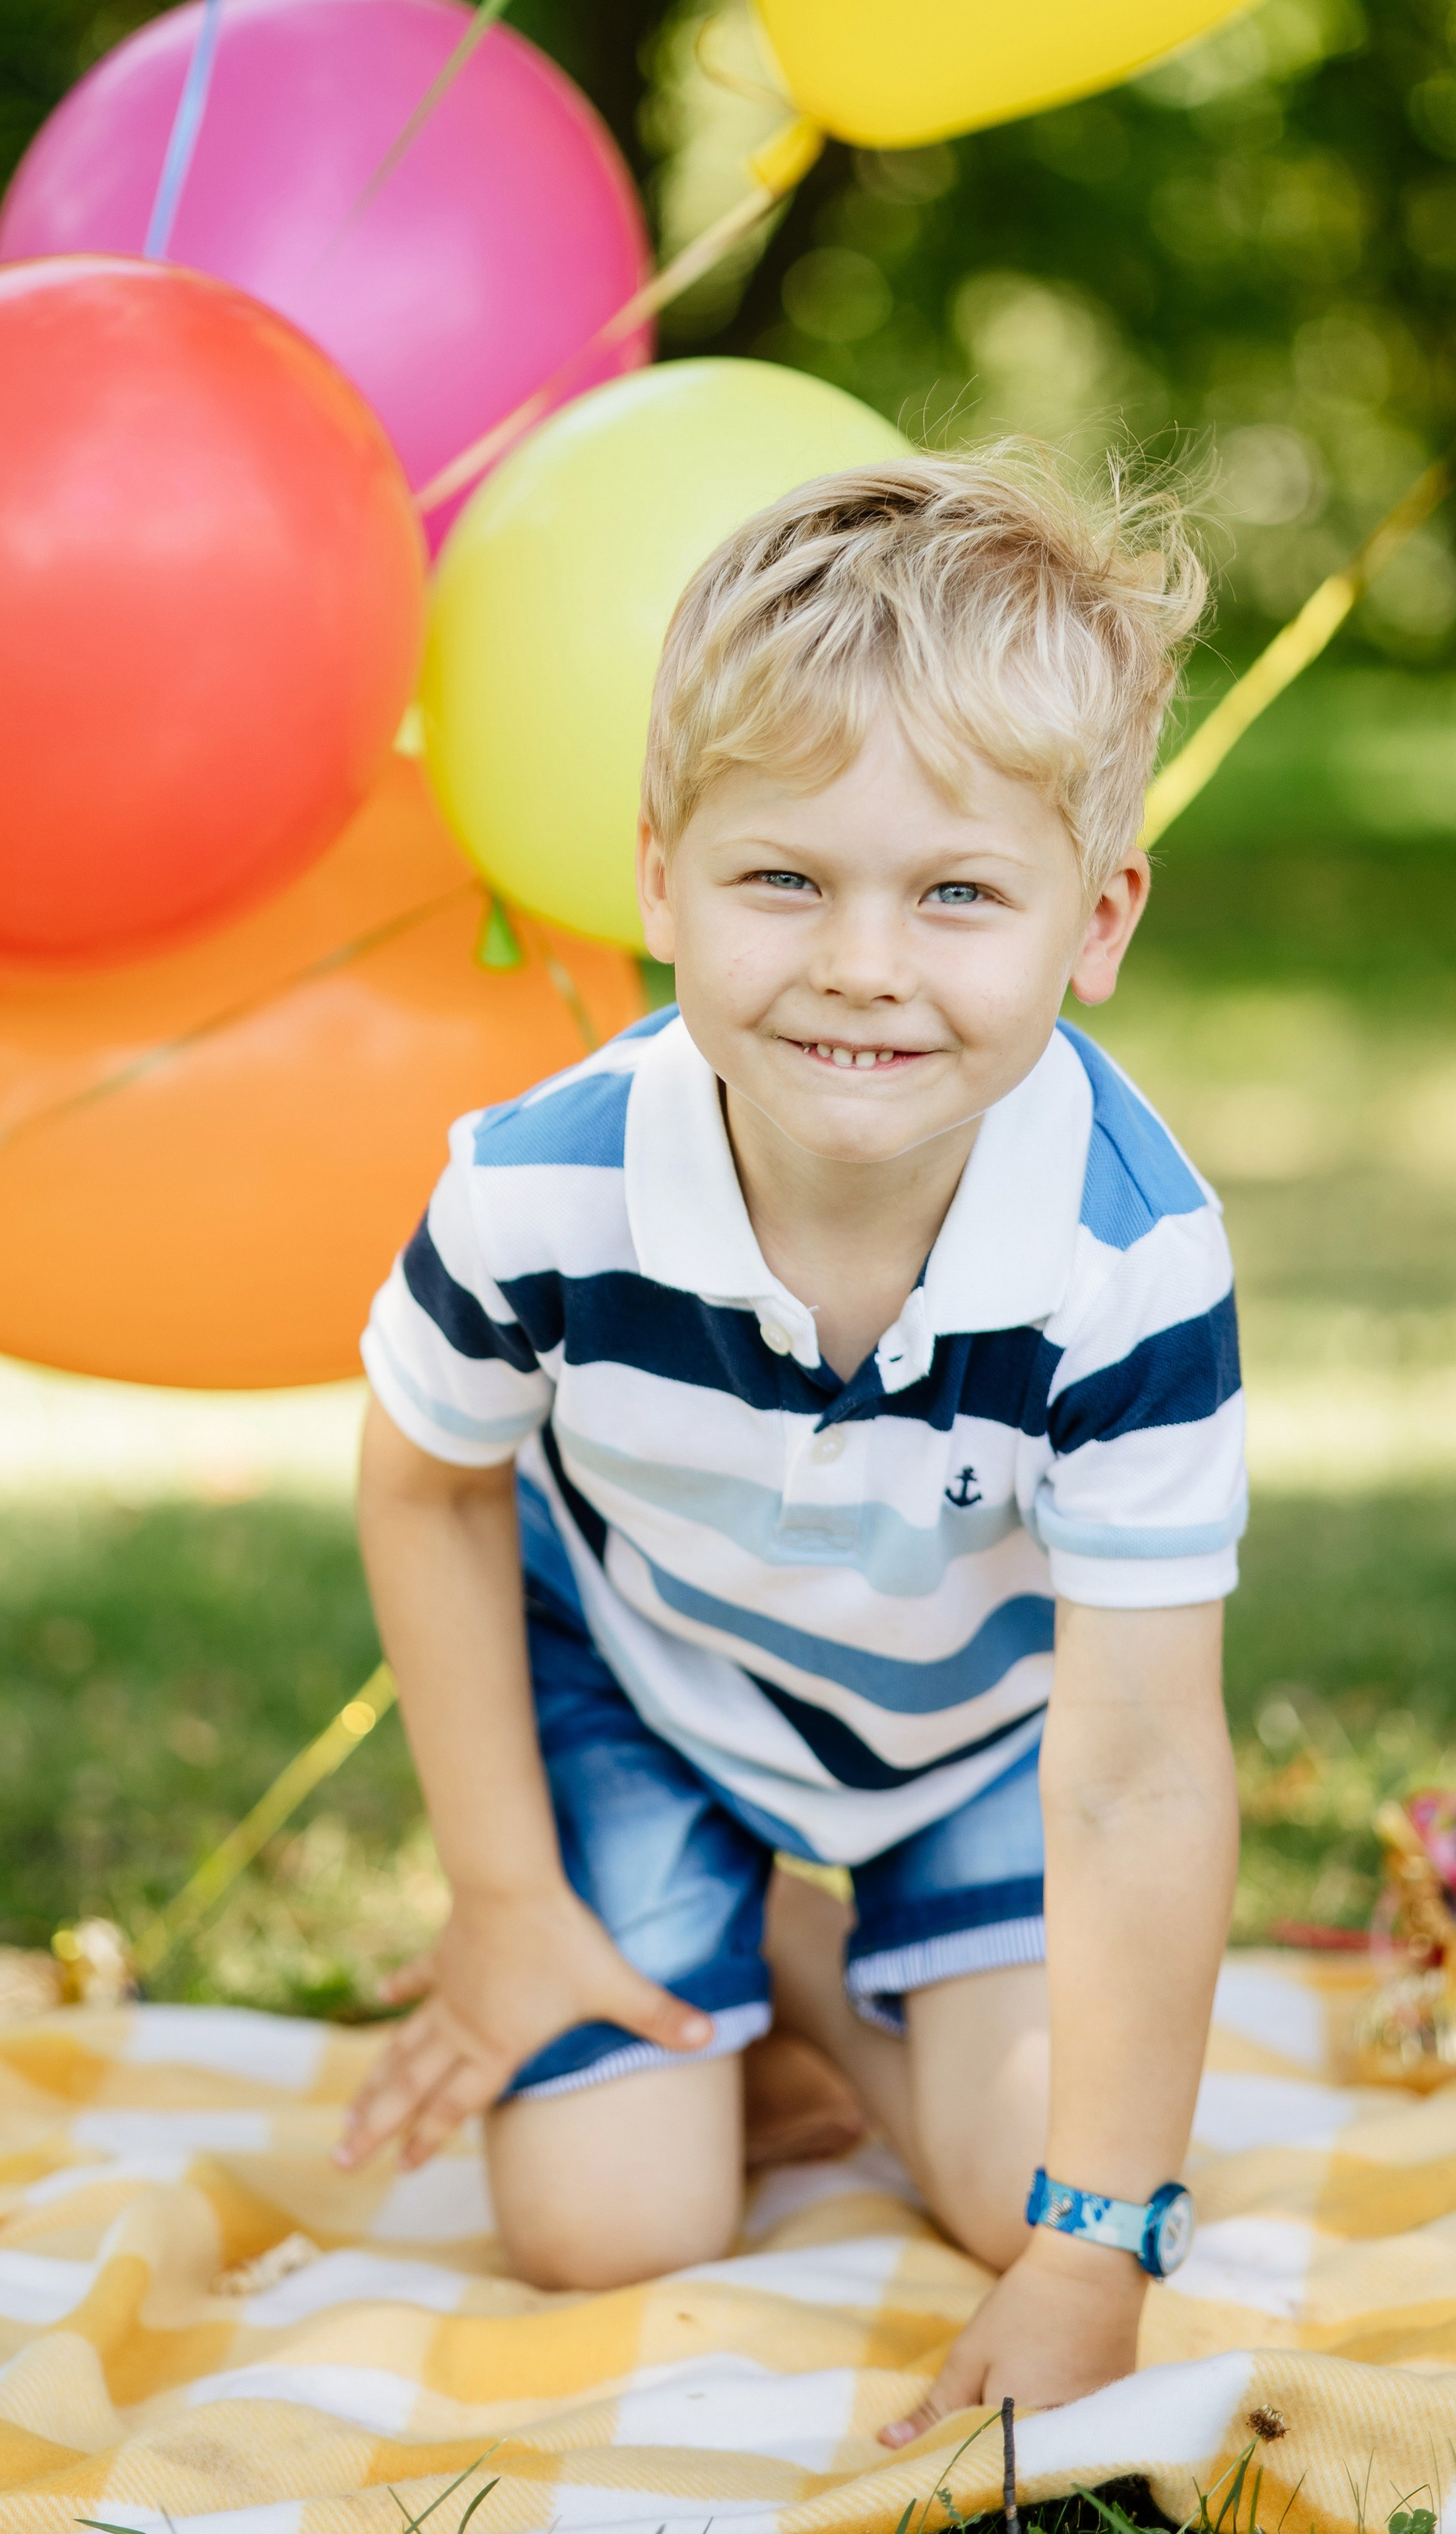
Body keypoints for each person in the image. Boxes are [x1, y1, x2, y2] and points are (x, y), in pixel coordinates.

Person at [337, 449, 1243, 2434]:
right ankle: (718, 1911)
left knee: (1031, 2194)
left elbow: (1145, 1766)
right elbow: (423, 1482)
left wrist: (1101, 2243)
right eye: (782, 878)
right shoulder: (535, 1195)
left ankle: (820, 1957)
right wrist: (507, 1901)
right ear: (660, 874)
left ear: (1095, 922)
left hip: (978, 1739)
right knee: (602, 2224)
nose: (860, 963)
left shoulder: (1128, 1261)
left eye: (957, 895)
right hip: (649, 1688)